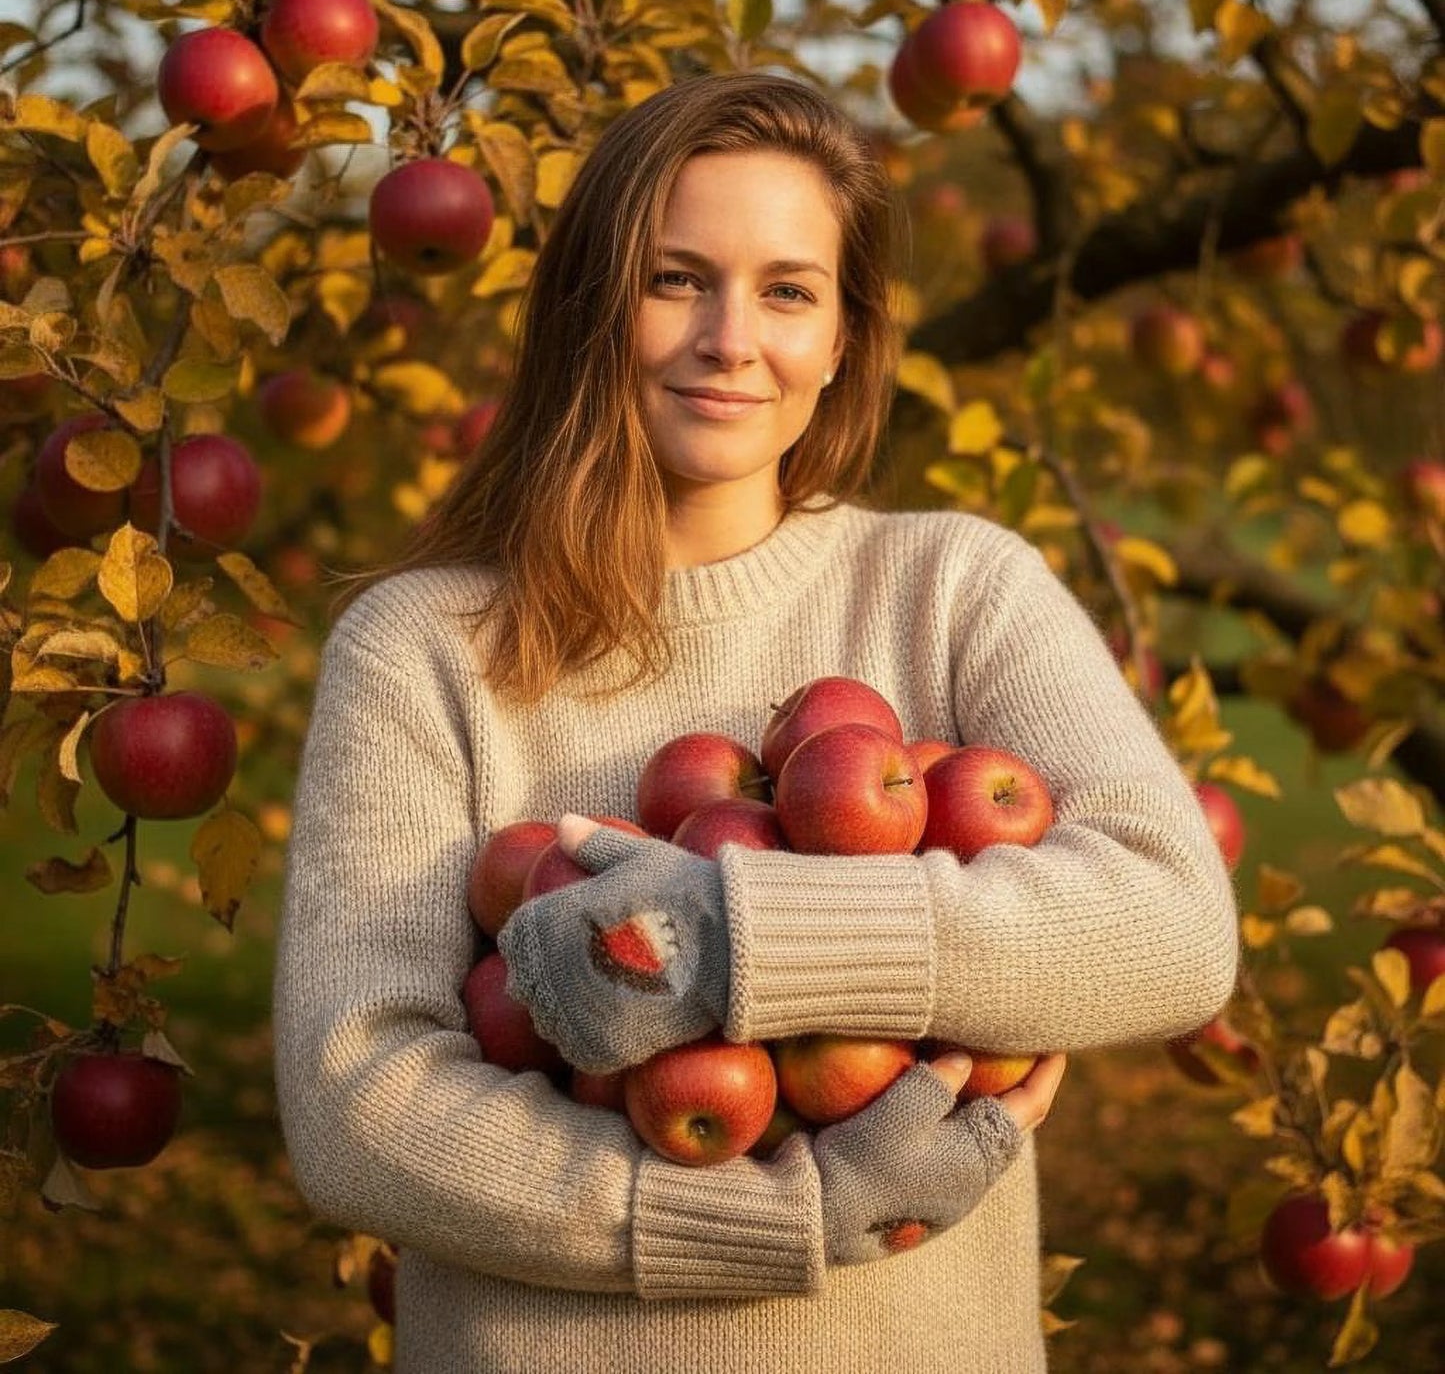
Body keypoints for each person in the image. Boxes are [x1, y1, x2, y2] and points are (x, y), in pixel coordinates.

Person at [272, 71, 1240, 1374]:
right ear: (588, 306)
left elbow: (1169, 925)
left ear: (842, 335)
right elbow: (357, 1098)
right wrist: (781, 1215)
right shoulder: (423, 644)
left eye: (787, 290)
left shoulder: (952, 588)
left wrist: (728, 936)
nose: (732, 338)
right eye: (676, 278)